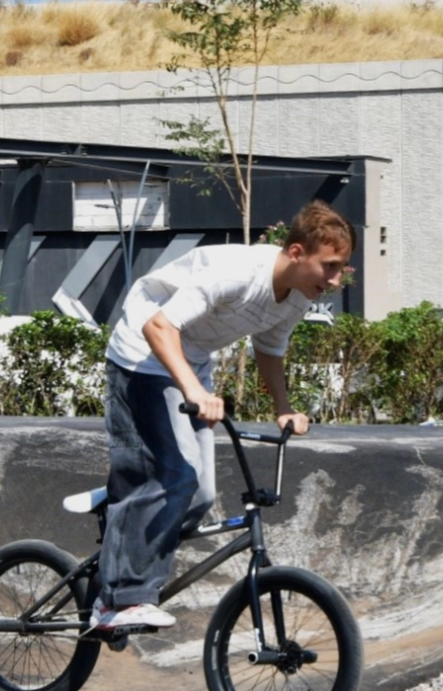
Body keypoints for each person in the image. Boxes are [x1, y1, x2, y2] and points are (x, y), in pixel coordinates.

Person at [93, 200, 354, 632]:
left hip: (189, 361)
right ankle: (119, 599)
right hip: (142, 354)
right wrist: (194, 390)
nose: (335, 279)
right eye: (329, 266)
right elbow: (158, 327)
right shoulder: (238, 273)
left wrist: (284, 409)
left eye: (341, 269)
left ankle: (128, 519)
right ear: (296, 253)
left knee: (198, 496)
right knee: (175, 477)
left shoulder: (296, 298)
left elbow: (269, 351)